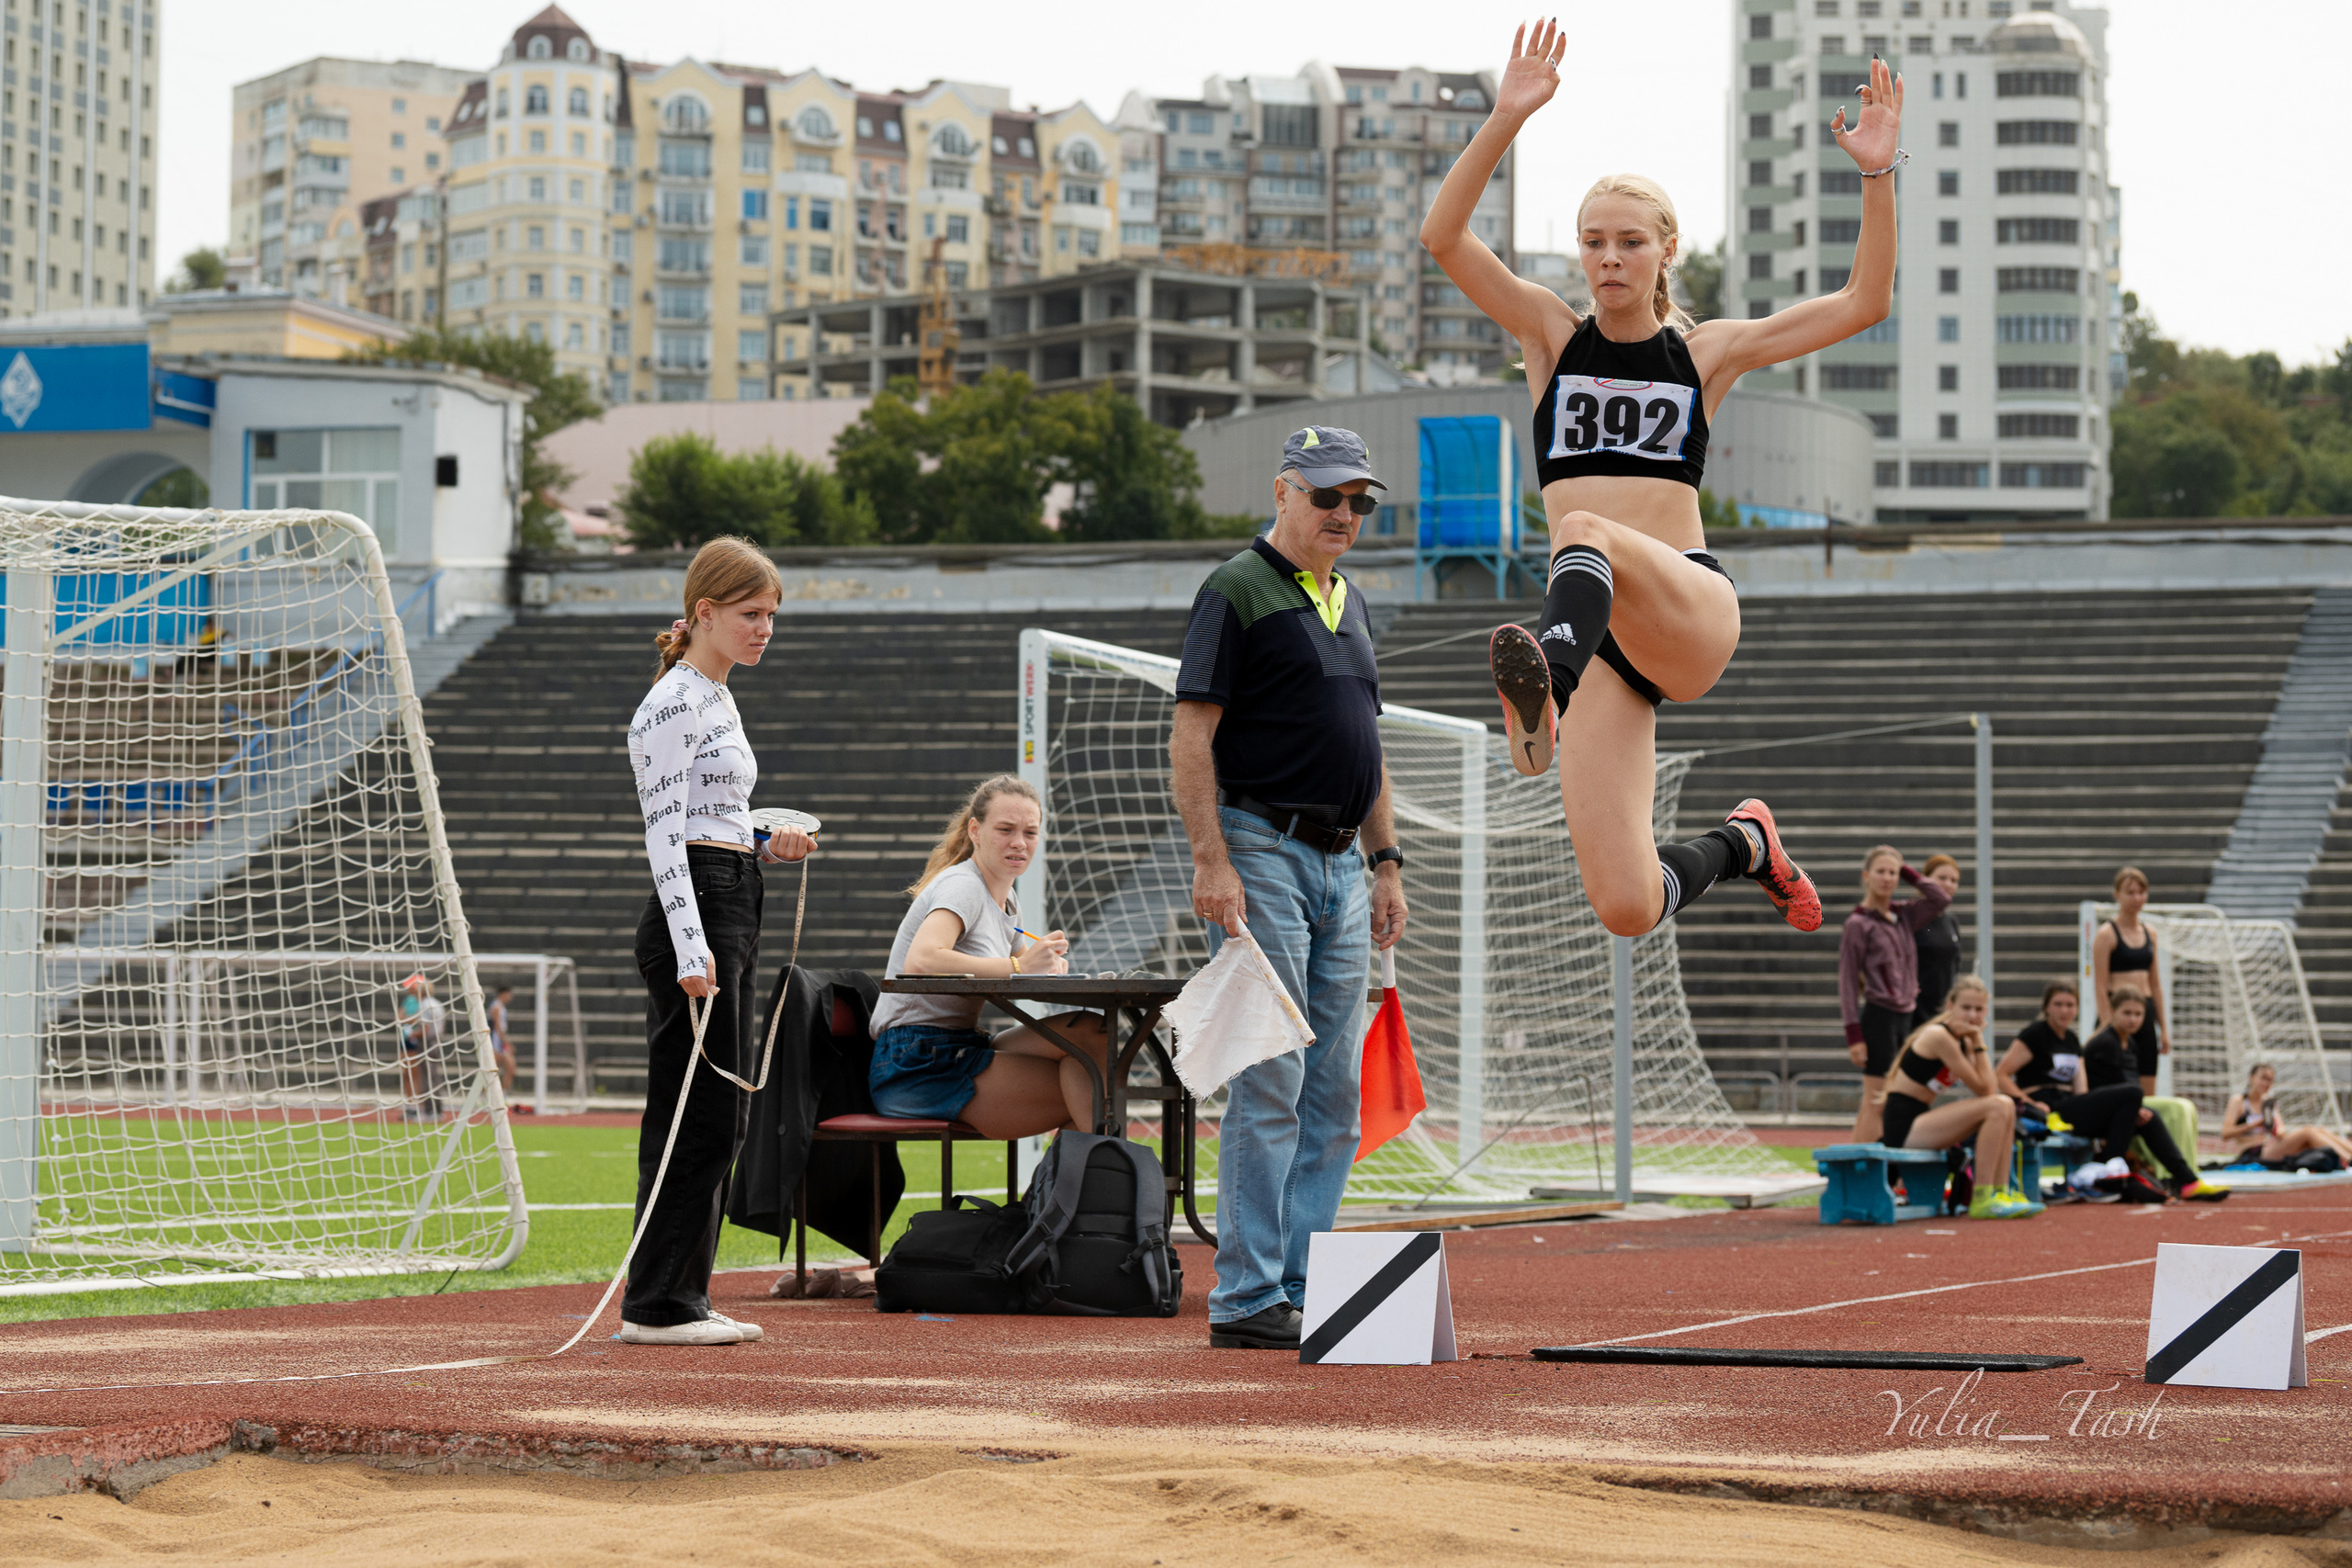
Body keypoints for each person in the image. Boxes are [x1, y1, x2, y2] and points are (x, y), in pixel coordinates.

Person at [1425, 26, 1910, 945]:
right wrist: (1505, 118)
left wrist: (1876, 176)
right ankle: (1745, 844)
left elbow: (1863, 302)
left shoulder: (1705, 353)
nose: (1608, 259)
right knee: (1624, 905)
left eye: (1629, 243)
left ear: (1665, 250)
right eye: (1593, 243)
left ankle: (1545, 697)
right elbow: (1441, 237)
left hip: (1686, 606)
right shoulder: (1548, 336)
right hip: (1601, 639)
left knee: (1586, 527)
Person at [1171, 423, 1409, 1353]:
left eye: (1361, 501)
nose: (1345, 514)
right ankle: (1246, 1297)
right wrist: (1209, 858)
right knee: (1270, 1078)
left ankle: (1304, 1288)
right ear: (1283, 492)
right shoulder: (1233, 588)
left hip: (1344, 863)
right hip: (1260, 845)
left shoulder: (1349, 600)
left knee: (1333, 1092)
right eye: (1328, 497)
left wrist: (1386, 863)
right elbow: (1193, 734)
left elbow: (1370, 749)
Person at [624, 536, 816, 1348]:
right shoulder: (675, 702)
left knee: (719, 1111)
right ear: (704, 612)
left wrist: (768, 835)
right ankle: (659, 1303)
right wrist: (692, 944)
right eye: (749, 613)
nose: (764, 627)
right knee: (694, 1111)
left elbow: (713, 816)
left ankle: (680, 1295)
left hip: (730, 891)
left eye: (771, 614)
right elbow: (664, 833)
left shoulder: (716, 695)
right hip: (699, 903)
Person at [866, 775, 1109, 1136]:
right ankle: (1112, 1178)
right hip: (916, 1061)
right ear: (975, 831)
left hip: (960, 1043)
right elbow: (922, 961)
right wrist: (1019, 965)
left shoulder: (1007, 898)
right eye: (1006, 829)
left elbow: (1023, 974)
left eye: (1030, 833)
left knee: (1094, 1034)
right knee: (1091, 1092)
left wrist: (1047, 967)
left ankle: (1078, 1186)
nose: (1019, 843)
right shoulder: (963, 886)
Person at [1998, 980, 2226, 1202]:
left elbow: (2082, 1090)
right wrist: (2028, 1103)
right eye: (2058, 1004)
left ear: (2077, 1009)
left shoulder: (2072, 1040)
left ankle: (2187, 1181)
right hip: (2046, 1107)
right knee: (2133, 1093)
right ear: (2047, 1007)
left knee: (2147, 1117)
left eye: (2070, 1005)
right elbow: (2001, 1074)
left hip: (2069, 1106)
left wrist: (2121, 1112)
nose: (2064, 1011)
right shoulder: (2035, 1034)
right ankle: (2108, 1170)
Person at [1871, 977, 2040, 1220]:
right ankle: (1983, 1198)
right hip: (1903, 1125)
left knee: (2006, 1106)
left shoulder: (1962, 1041)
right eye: (1966, 1007)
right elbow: (1986, 1092)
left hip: (1921, 1118)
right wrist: (1979, 1040)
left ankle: (2003, 1193)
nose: (1972, 1015)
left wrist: (1974, 1042)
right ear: (1950, 1006)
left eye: (1979, 1009)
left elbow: (1988, 1087)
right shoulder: (1939, 1037)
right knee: (1997, 1105)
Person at [1837, 847, 1951, 1144]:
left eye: (1893, 873)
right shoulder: (1858, 923)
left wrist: (1908, 871)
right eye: (1881, 871)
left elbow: (1940, 899)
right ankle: (1861, 1173)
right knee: (1876, 1102)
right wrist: (1854, 1035)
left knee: (1889, 1102)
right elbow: (1848, 981)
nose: (1888, 878)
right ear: (1866, 876)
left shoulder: (1904, 915)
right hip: (1879, 1017)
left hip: (1906, 1017)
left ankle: (1867, 1172)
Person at [2089, 866, 2167, 1094]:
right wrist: (2107, 1025)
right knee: (2114, 1079)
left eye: (2141, 892)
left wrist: (2163, 1028)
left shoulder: (2149, 932)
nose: (2137, 898)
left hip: (2144, 1010)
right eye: (2130, 892)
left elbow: (2155, 983)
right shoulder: (2107, 934)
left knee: (2146, 1081)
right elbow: (2100, 985)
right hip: (2116, 1011)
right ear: (2117, 895)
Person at [2222, 1063, 2352, 1168]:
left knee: (2317, 1130)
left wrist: (2274, 1129)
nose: (2267, 1083)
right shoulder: (2239, 1101)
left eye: (2270, 1080)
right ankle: (2348, 1159)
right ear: (2251, 1078)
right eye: (2263, 1078)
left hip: (2272, 1146)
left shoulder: (2269, 1103)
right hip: (2254, 1153)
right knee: (2308, 1132)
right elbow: (2226, 1133)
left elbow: (2281, 1132)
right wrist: (2254, 1125)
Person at [1909, 855, 1965, 1037]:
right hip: (1914, 1010)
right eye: (1942, 878)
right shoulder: (1911, 916)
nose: (1948, 884)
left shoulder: (1951, 921)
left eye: (1954, 880)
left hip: (1943, 1010)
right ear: (1926, 881)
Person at [395, 973, 444, 1122]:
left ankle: (430, 1111)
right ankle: (433, 1110)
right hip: (435, 1041)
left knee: (426, 1077)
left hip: (427, 1042)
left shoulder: (425, 1005)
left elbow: (425, 1029)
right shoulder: (435, 1003)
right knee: (430, 1076)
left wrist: (413, 1035)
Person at [488, 984, 521, 1105]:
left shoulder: (501, 1007)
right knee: (490, 1071)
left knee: (510, 1067)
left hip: (500, 1042)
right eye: (509, 994)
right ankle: (484, 1097)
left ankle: (502, 1095)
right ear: (503, 994)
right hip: (496, 1042)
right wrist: (507, 1043)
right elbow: (497, 1027)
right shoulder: (496, 1007)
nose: (510, 997)